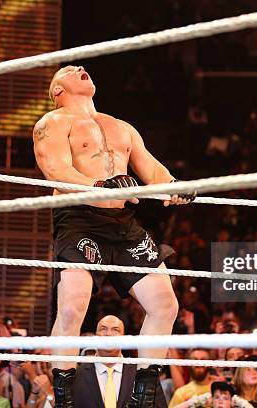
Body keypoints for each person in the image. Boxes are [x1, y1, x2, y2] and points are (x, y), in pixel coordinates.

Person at [33, 65, 196, 407]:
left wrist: (173, 187)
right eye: (69, 69)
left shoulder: (121, 127)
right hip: (78, 217)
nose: (81, 68)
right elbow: (56, 171)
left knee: (165, 305)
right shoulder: (53, 123)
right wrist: (98, 185)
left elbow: (151, 169)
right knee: (74, 305)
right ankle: (63, 399)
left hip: (122, 223)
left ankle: (143, 395)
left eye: (83, 66)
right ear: (56, 90)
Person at [72, 315, 167, 407]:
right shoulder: (77, 375)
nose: (108, 334)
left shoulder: (142, 372)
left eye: (115, 330)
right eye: (103, 329)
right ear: (96, 336)